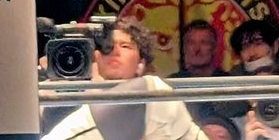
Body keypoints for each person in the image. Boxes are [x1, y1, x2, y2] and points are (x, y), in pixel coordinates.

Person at [43, 18, 204, 140]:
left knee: (154, 90)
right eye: (108, 47)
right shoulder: (70, 101)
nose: (116, 51)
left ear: (141, 63)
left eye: (125, 46)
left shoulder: (153, 92)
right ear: (96, 57)